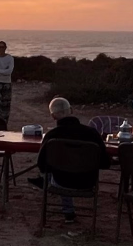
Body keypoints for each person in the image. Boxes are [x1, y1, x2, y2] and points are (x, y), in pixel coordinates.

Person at [32, 96, 108, 227]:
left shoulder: (52, 135)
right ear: (71, 110)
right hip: (87, 182)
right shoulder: (92, 133)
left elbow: (41, 165)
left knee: (55, 170)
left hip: (61, 182)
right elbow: (105, 163)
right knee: (63, 168)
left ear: (53, 116)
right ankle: (70, 213)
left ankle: (68, 212)